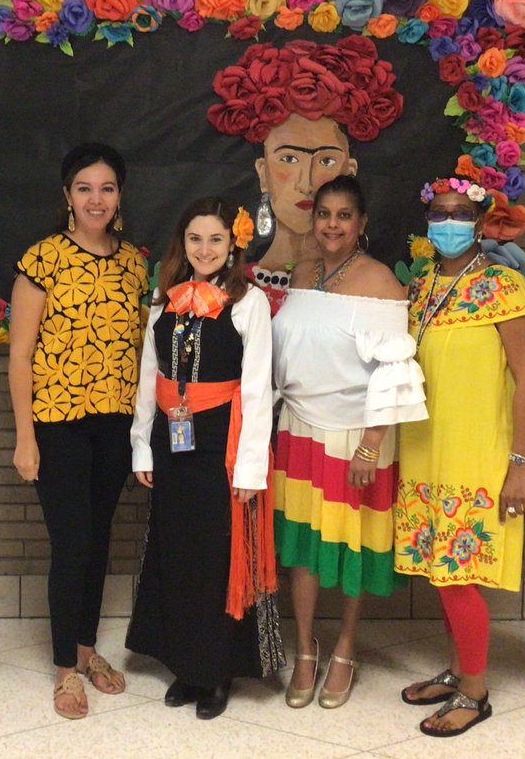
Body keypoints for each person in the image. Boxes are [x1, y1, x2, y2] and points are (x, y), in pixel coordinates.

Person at [272, 174, 427, 709]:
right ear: (312, 220)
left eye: (344, 215)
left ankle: (344, 648)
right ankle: (305, 649)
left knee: (353, 545)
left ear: (361, 224)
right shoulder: (302, 271)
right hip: (299, 430)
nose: (332, 224)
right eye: (324, 214)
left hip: (358, 437)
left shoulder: (380, 280)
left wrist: (370, 443)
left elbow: (396, 368)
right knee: (305, 552)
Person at [126, 197, 284, 720]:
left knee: (217, 555)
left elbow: (259, 389)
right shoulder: (163, 300)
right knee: (177, 550)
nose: (205, 249)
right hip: (173, 441)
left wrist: (249, 469)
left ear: (232, 244)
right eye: (195, 239)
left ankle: (215, 671)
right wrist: (142, 445)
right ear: (182, 243)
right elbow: (149, 377)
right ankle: (183, 664)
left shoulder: (249, 303)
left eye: (216, 239)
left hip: (223, 442)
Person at [393, 176, 525, 737]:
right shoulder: (423, 284)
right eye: (438, 213)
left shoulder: (504, 285)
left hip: (478, 455)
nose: (447, 223)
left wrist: (519, 467)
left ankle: (475, 693)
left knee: (459, 575)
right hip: (426, 449)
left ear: (480, 223)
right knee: (442, 570)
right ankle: (458, 671)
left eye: (458, 213)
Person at [8, 143, 148, 720]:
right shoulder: (42, 260)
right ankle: (66, 670)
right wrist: (24, 436)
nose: (97, 199)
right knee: (71, 545)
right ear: (67, 196)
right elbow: (19, 355)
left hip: (114, 423)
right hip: (57, 425)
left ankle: (89, 651)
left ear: (120, 196)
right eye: (85, 188)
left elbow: (142, 350)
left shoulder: (134, 263)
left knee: (97, 540)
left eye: (107, 188)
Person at [207, 36, 404, 314]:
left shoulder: (374, 282)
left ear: (349, 171)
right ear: (263, 173)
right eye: (288, 158)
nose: (306, 182)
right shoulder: (237, 283)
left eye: (326, 160)